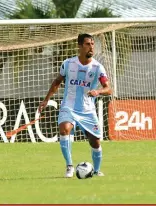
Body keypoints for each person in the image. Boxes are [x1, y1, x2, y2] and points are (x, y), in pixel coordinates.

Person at [38, 33, 112, 178]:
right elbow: (57, 82)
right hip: (68, 106)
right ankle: (69, 166)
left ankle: (96, 171)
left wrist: (98, 91)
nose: (91, 47)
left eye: (92, 44)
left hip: (87, 110)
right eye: (87, 44)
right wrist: (46, 100)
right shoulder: (68, 64)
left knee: (95, 142)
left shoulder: (98, 68)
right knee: (64, 129)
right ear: (79, 46)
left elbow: (108, 89)